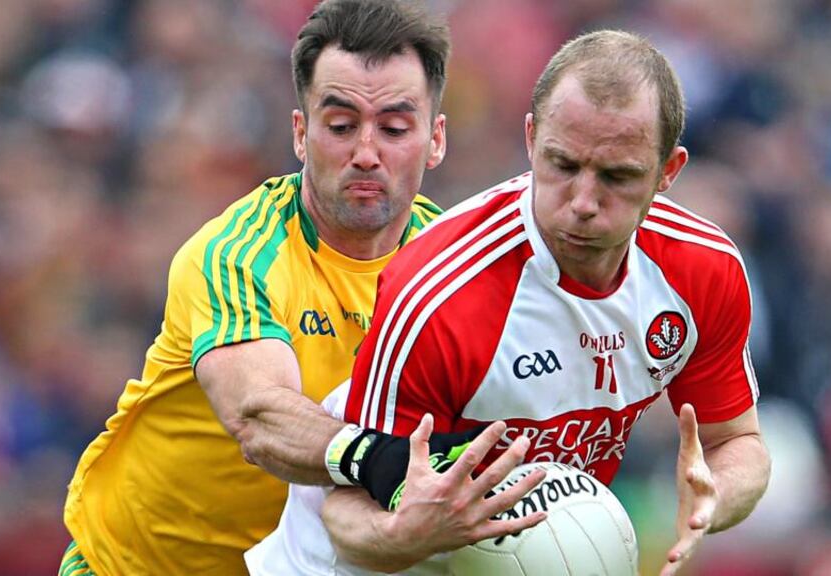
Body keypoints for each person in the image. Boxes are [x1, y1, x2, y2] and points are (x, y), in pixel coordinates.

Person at [246, 29, 773, 575]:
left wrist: (713, 497)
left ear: (669, 170)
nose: (584, 203)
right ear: (530, 139)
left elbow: (736, 441)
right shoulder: (439, 294)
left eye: (618, 176)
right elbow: (346, 509)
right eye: (563, 165)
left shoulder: (704, 271)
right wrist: (407, 535)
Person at [57, 2, 536, 574]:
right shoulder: (237, 254)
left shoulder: (461, 270)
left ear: (435, 140)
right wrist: (380, 461)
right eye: (340, 126)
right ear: (301, 134)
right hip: (133, 566)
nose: (365, 153)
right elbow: (258, 418)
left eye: (393, 128)